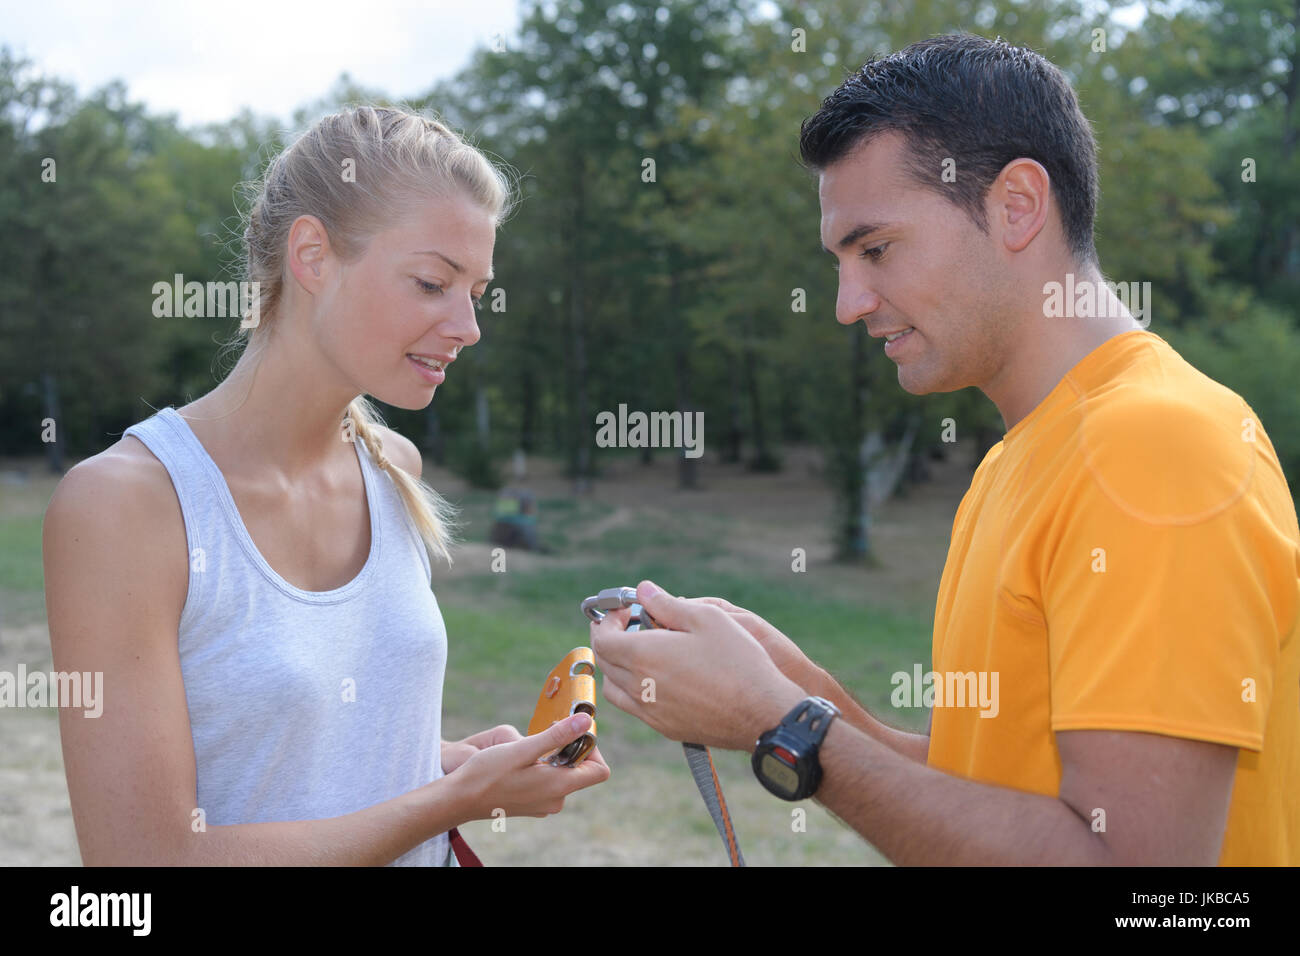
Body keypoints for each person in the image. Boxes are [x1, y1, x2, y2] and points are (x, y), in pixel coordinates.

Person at [592, 33, 1300, 865]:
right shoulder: (1021, 458)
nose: (848, 303)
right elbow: (1001, 795)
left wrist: (778, 726)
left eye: (877, 249)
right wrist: (803, 694)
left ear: (1016, 206)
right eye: (840, 262)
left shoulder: (1156, 446)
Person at [43, 106, 609, 866]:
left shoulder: (393, 470)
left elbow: (303, 757)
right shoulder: (124, 507)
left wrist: (449, 765)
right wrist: (450, 802)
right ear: (311, 255)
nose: (469, 326)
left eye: (475, 289)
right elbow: (142, 861)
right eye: (433, 282)